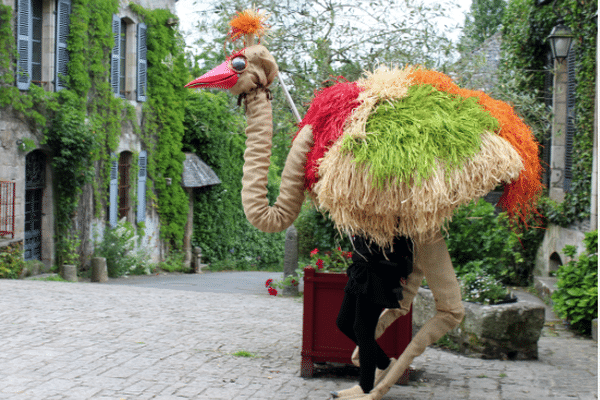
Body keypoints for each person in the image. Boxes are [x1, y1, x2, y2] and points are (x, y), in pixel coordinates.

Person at [332, 235, 413, 399]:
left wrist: (402, 271)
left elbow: (404, 241)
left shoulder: (391, 215)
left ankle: (365, 388)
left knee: (363, 329)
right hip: (360, 269)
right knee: (344, 322)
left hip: (379, 272)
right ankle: (384, 363)